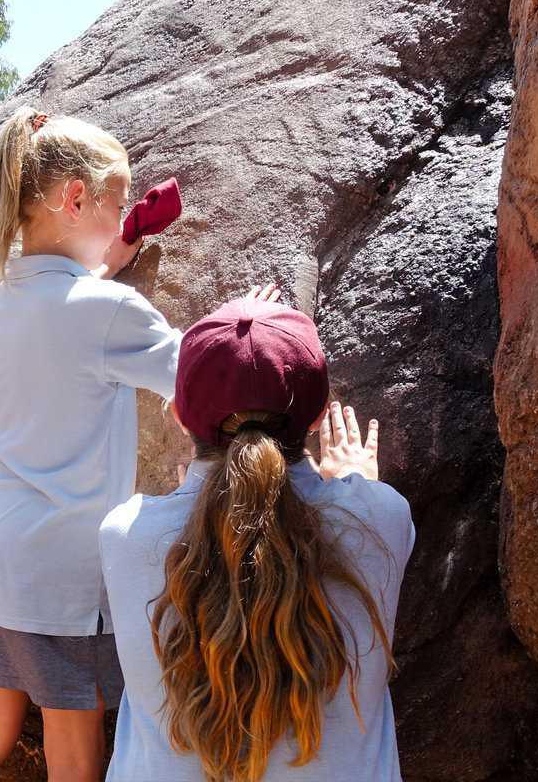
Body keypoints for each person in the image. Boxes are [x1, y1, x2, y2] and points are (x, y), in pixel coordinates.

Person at [0, 104, 185, 782]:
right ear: (75, 198)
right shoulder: (106, 313)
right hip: (59, 572)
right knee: (72, 756)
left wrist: (118, 251)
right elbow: (198, 369)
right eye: (119, 200)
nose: (124, 213)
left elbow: (69, 318)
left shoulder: (4, 299)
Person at [99, 298, 416, 781]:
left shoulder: (124, 534)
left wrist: (199, 494)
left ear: (181, 415)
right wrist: (357, 485)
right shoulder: (381, 517)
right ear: (316, 418)